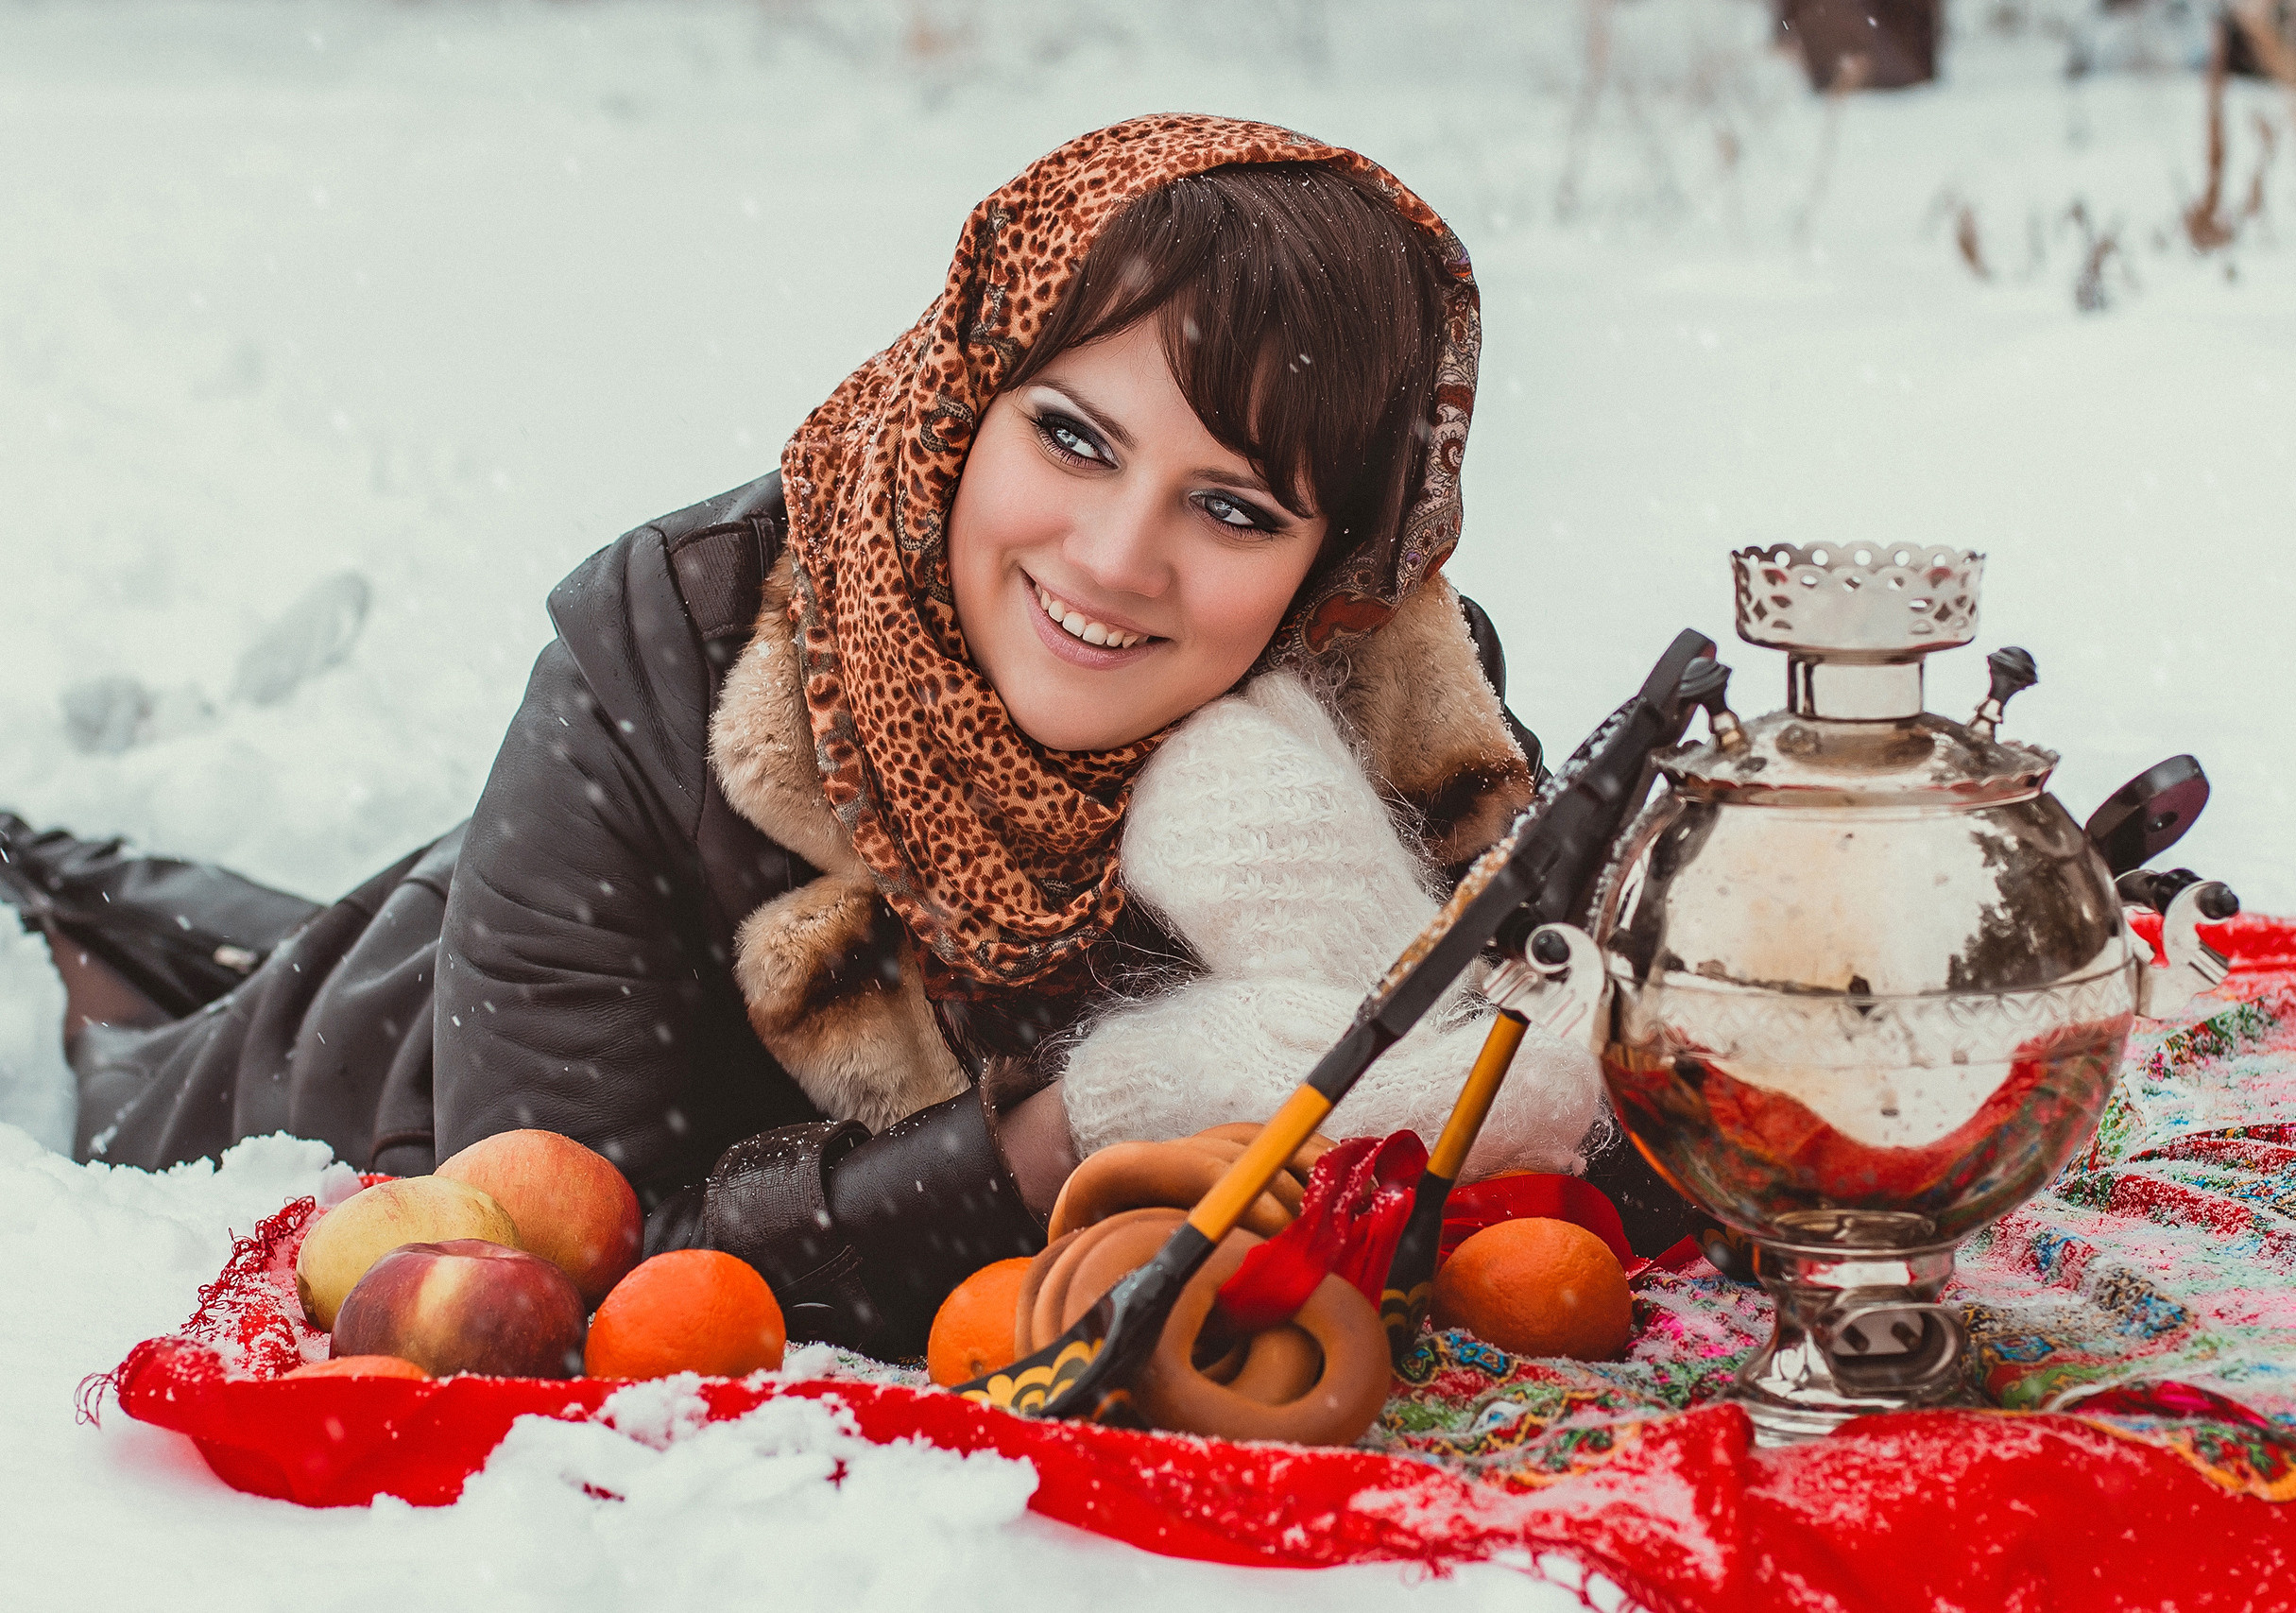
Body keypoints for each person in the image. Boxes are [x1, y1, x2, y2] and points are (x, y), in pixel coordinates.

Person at [2, 116, 1688, 1359]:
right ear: (969, 391)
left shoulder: (1387, 702)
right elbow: (604, 1267)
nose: (1114, 561)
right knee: (119, 999)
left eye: (1235, 508)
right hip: (388, 1072)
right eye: (1074, 437)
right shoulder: (662, 658)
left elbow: (1595, 1117)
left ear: (1337, 569)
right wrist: (1080, 1128)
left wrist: (1381, 927)